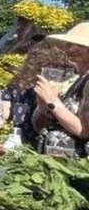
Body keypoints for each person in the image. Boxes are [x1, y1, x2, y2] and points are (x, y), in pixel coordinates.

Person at [2, 39, 77, 148]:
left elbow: (3, 113)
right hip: (47, 144)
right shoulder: (64, 88)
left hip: (20, 141)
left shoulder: (19, 86)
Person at [32, 22, 89, 158]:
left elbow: (84, 131)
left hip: (75, 165)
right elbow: (38, 127)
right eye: (68, 44)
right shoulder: (75, 80)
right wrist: (43, 106)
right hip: (52, 160)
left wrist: (53, 102)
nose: (72, 49)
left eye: (80, 45)